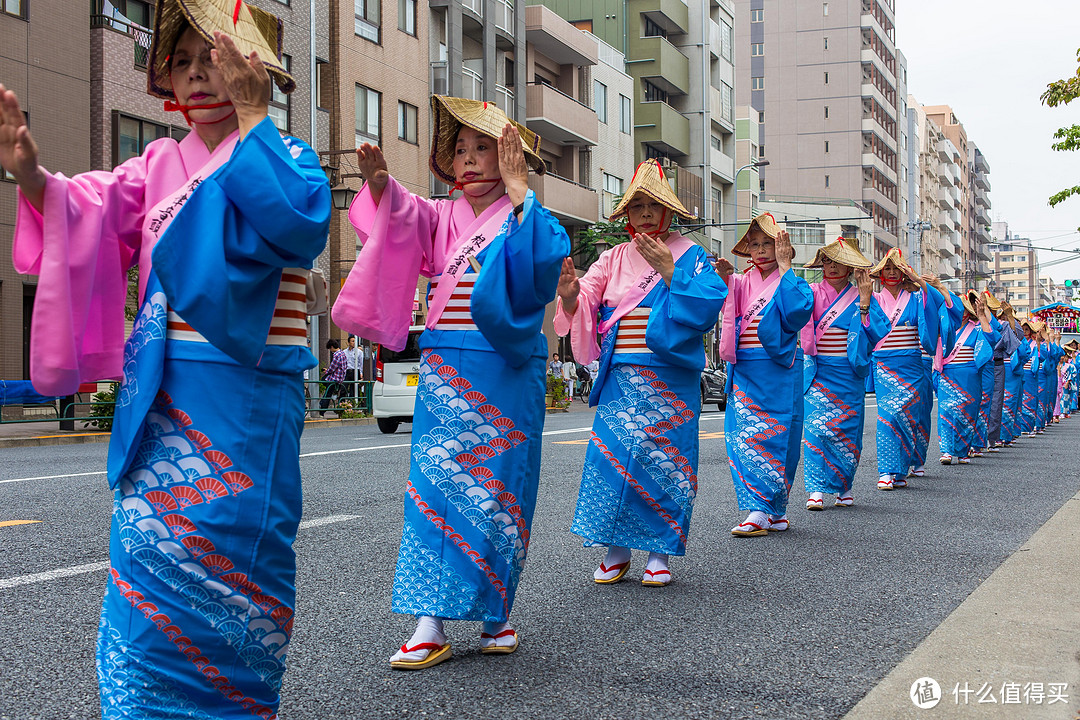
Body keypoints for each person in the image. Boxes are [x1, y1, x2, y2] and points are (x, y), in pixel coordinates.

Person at [3, 1, 330, 715]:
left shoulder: (292, 157)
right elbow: (83, 209)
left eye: (214, 59)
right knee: (148, 556)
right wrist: (32, 180)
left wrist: (251, 125)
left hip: (247, 394)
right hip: (164, 393)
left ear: (255, 70)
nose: (196, 75)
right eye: (182, 63)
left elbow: (297, 225)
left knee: (237, 551)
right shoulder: (156, 165)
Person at [331, 96, 569, 669]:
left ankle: (496, 612)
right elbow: (402, 221)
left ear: (510, 155)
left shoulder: (528, 214)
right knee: (434, 490)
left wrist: (518, 190)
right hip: (447, 365)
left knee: (501, 488)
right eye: (459, 150)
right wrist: (383, 187)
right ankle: (429, 619)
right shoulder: (441, 215)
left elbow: (545, 263)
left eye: (481, 148)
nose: (467, 160)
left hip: (505, 366)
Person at [554, 159, 726, 585]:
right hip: (620, 379)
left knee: (665, 463)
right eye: (637, 206)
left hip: (670, 379)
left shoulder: (692, 254)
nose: (645, 213)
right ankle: (616, 549)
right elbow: (588, 294)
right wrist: (572, 296)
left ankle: (659, 551)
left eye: (653, 205)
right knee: (611, 464)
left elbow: (709, 303)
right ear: (627, 215)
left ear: (668, 211)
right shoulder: (611, 257)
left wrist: (670, 271)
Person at [715, 213, 812, 535]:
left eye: (767, 244)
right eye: (754, 244)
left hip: (779, 367)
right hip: (745, 366)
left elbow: (799, 311)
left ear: (781, 247)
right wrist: (725, 280)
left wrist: (786, 266)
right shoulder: (741, 281)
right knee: (746, 437)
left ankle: (770, 508)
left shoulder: (793, 281)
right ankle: (763, 508)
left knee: (780, 436)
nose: (759, 250)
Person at [799, 238, 889, 510]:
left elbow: (879, 331)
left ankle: (843, 486)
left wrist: (864, 299)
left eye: (839, 262)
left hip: (848, 373)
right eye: (827, 261)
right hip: (818, 371)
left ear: (850, 267)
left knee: (846, 432)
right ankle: (815, 489)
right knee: (815, 429)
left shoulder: (864, 296)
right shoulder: (811, 291)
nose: (833, 267)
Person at [868, 249, 949, 489]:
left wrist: (920, 282)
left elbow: (939, 302)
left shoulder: (915, 298)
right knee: (887, 417)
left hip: (912, 363)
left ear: (904, 273)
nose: (892, 273)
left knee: (906, 417)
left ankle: (901, 471)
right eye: (887, 269)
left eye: (896, 269)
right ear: (881, 274)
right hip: (884, 362)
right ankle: (886, 471)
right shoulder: (874, 299)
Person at [937, 291, 999, 465]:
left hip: (970, 375)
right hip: (948, 374)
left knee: (968, 413)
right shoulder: (945, 327)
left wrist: (982, 315)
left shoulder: (977, 329)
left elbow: (992, 338)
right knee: (947, 411)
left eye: (963, 309)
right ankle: (947, 450)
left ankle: (963, 450)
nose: (959, 312)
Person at [984, 294, 1021, 450]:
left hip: (997, 365)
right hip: (979, 366)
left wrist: (1011, 317)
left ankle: (992, 438)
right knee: (978, 401)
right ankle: (976, 439)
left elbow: (1018, 338)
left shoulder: (1002, 325)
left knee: (996, 402)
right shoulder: (974, 324)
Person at [999, 302, 1030, 446]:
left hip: (1012, 369)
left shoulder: (1015, 330)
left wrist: (1011, 319)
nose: (1004, 318)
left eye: (1007, 315)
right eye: (1002, 315)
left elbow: (1023, 351)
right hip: (996, 366)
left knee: (1010, 403)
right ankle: (994, 436)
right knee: (995, 402)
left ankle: (1006, 435)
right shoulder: (992, 325)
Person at [1019, 319, 1043, 437]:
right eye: (1023, 329)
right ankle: (1020, 426)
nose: (1024, 331)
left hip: (1031, 374)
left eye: (1027, 329)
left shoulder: (1034, 343)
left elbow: (1041, 358)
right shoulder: (1019, 341)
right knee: (1020, 399)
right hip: (1020, 372)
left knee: (1031, 399)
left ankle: (1029, 426)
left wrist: (1038, 344)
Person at [320, 338, 347, 416]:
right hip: (341, 377)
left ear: (332, 347)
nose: (330, 350)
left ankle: (321, 409)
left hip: (335, 378)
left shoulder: (336, 355)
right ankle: (333, 396)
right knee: (328, 392)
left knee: (326, 391)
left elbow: (332, 367)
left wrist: (327, 371)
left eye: (330, 348)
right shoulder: (342, 353)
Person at [343, 333, 364, 402]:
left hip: (356, 371)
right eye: (352, 341)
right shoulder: (344, 352)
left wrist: (361, 372)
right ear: (348, 342)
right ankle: (341, 403)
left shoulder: (359, 352)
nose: (354, 343)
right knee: (344, 387)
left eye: (355, 341)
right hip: (347, 371)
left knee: (354, 389)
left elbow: (361, 363)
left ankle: (354, 404)